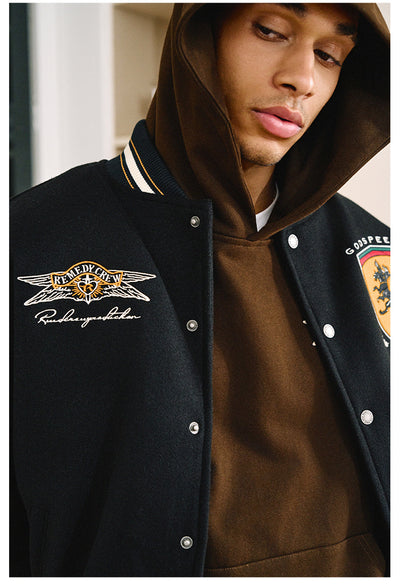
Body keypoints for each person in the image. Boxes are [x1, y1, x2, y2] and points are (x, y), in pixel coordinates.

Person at [10, 2, 390, 577]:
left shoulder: (372, 250)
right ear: (197, 37)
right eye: (271, 30)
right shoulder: (30, 241)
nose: (303, 79)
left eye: (330, 54)